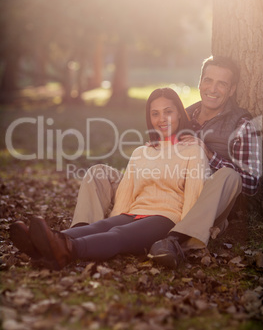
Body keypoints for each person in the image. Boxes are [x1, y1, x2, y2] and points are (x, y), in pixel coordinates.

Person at [68, 55, 262, 269]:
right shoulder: (184, 112)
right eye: (208, 80)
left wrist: (208, 154)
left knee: (229, 175)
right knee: (98, 173)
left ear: (232, 89)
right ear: (200, 82)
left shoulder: (243, 123)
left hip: (204, 200)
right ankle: (85, 230)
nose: (212, 88)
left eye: (221, 83)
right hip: (165, 189)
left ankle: (177, 238)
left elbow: (251, 183)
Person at [10, 88, 210, 270]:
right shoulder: (142, 152)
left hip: (165, 218)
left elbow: (195, 194)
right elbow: (125, 193)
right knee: (98, 227)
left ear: (179, 114)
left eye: (168, 111)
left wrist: (180, 236)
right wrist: (115, 218)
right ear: (149, 118)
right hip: (135, 212)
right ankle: (41, 245)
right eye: (155, 113)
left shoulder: (192, 149)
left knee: (118, 235)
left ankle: (66, 250)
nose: (162, 118)